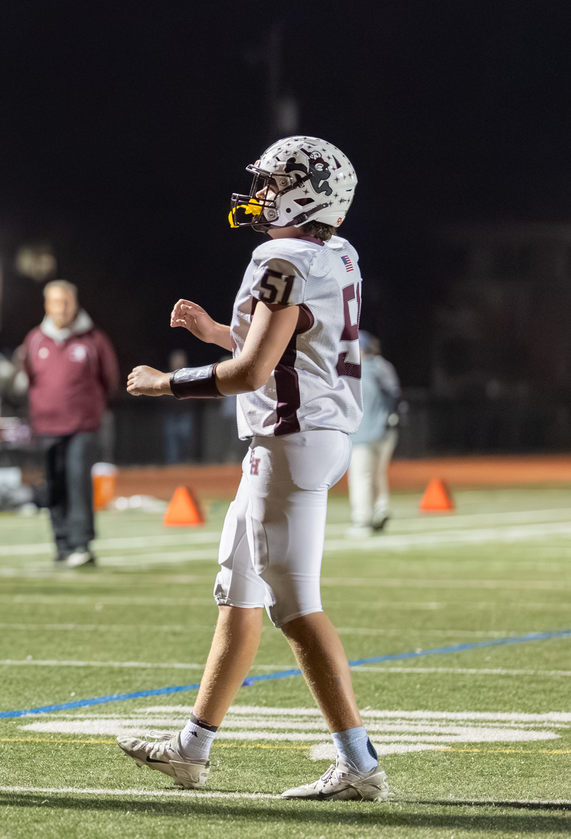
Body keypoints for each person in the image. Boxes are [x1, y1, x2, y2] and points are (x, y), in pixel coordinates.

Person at [117, 136, 386, 800]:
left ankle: (359, 761)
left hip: (289, 440)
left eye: (272, 183)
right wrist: (215, 332)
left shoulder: (282, 256)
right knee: (238, 588)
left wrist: (163, 383)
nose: (260, 194)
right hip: (308, 433)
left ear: (302, 190)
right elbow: (289, 348)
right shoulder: (335, 252)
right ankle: (192, 747)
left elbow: (253, 372)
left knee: (294, 605)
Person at [20, 279, 119, 568]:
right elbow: (27, 378)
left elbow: (109, 379)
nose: (60, 308)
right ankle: (62, 544)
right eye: (54, 302)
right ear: (46, 306)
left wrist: (91, 407)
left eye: (65, 302)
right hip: (46, 426)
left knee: (78, 481)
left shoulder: (93, 340)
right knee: (55, 484)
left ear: (74, 304)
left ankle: (81, 544)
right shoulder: (34, 339)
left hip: (82, 425)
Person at [347, 331, 400, 536]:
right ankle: (381, 508)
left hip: (363, 432)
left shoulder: (355, 371)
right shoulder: (384, 366)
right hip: (387, 430)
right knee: (377, 474)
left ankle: (362, 520)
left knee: (361, 477)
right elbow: (395, 395)